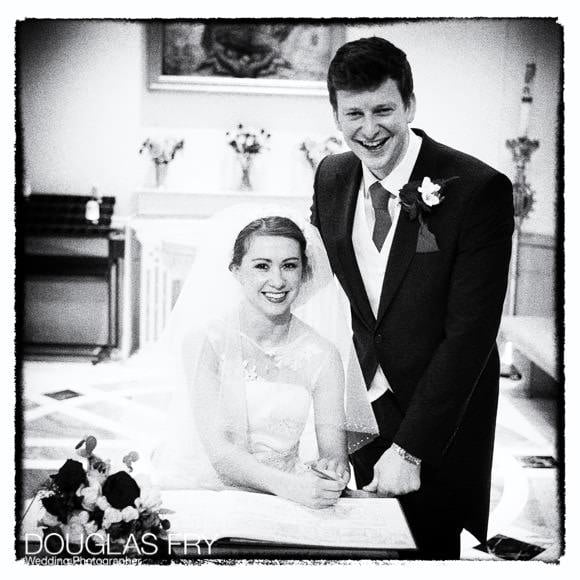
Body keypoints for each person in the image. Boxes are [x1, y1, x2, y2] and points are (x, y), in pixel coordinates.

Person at [311, 36, 514, 558]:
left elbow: (470, 334)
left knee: (427, 553)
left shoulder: (477, 189)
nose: (369, 128)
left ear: (410, 105)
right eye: (353, 113)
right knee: (361, 551)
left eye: (384, 109)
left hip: (439, 419)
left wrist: (412, 449)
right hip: (362, 405)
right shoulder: (331, 176)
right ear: (335, 114)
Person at [152, 207, 378, 509]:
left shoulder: (323, 354)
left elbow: (333, 452)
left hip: (290, 498)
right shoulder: (206, 342)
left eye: (289, 265)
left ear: (304, 272)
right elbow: (220, 454)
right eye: (262, 266)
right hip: (209, 492)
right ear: (236, 271)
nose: (277, 280)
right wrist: (291, 487)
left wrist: (333, 470)